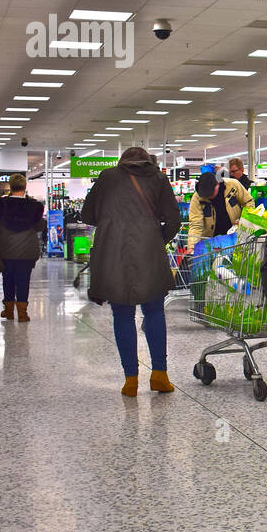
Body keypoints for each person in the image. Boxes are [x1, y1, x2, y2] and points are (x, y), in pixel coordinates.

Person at [80, 147, 182, 397]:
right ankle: (160, 375)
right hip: (149, 250)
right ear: (147, 161)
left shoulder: (106, 177)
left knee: (122, 314)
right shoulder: (158, 179)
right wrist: (157, 239)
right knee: (154, 310)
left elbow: (87, 214)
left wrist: (112, 224)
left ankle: (131, 380)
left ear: (122, 161)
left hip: (113, 252)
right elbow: (174, 220)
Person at [0, 175, 44, 321]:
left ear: (10, 187)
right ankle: (22, 313)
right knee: (23, 279)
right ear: (25, 187)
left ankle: (8, 311)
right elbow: (40, 226)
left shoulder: (1, 205)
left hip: (5, 248)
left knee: (7, 278)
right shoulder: (34, 207)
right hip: (27, 249)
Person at [188, 170, 252, 248]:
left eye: (211, 193)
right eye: (205, 195)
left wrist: (243, 221)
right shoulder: (197, 198)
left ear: (217, 184)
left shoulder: (233, 185)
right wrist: (192, 247)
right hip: (211, 241)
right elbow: (196, 224)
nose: (208, 196)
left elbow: (248, 202)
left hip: (235, 235)